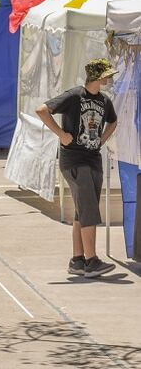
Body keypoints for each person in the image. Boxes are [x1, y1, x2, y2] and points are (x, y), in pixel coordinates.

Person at [36, 58, 118, 278]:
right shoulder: (74, 96)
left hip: (93, 159)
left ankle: (78, 259)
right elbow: (42, 110)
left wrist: (102, 140)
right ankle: (92, 261)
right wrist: (61, 134)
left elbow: (113, 121)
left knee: (83, 210)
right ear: (98, 77)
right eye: (107, 75)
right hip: (74, 160)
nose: (109, 79)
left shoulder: (104, 101)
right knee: (89, 209)